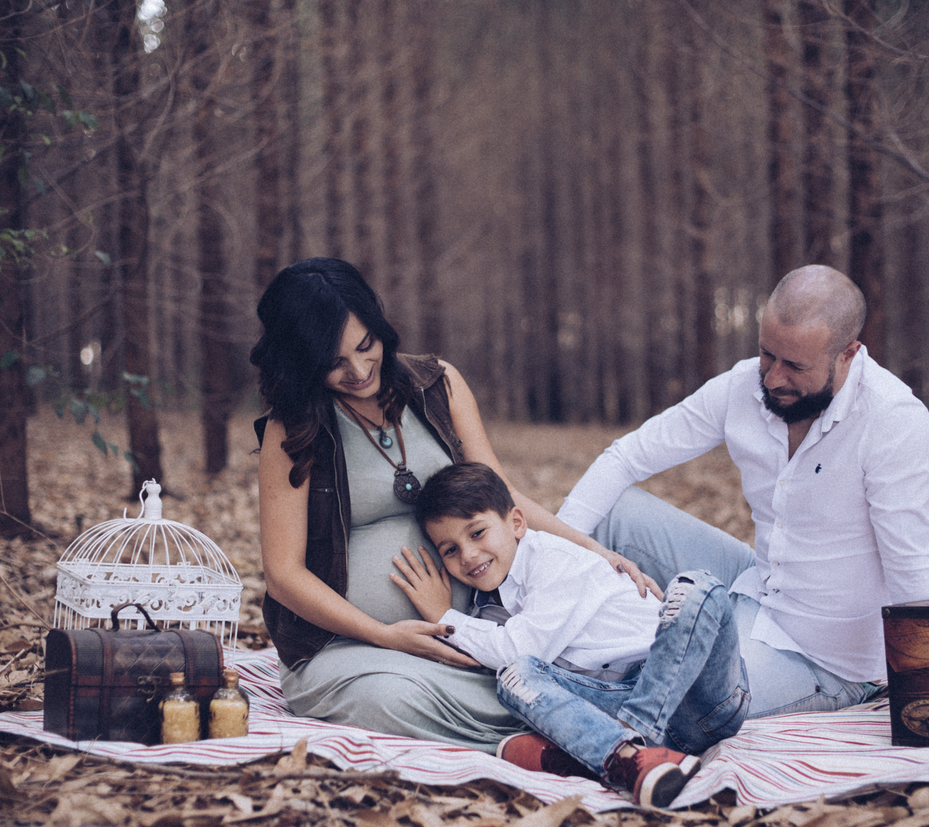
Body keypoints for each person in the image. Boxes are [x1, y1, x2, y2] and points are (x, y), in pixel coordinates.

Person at [250, 257, 656, 752]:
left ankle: (560, 730)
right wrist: (384, 634)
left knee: (534, 667)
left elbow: (500, 494)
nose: (358, 371)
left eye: (365, 346)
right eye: (333, 363)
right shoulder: (293, 428)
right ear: (302, 361)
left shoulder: (436, 384)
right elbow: (284, 575)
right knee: (388, 697)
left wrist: (594, 550)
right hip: (349, 646)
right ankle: (539, 745)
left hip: (479, 631)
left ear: (380, 328)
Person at [556, 265, 929, 717]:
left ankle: (566, 685)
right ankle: (540, 622)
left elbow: (907, 565)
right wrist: (544, 559)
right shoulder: (743, 386)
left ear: (848, 354)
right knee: (610, 512)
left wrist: (927, 684)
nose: (774, 378)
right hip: (752, 586)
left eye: (796, 366)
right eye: (767, 354)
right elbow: (626, 457)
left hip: (826, 657)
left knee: (688, 702)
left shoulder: (894, 421)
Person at [391, 462, 749, 807]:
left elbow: (515, 645)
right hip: (618, 698)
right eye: (450, 550)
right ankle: (633, 758)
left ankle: (631, 742)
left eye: (477, 532)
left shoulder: (553, 560)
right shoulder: (489, 603)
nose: (468, 555)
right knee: (515, 676)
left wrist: (445, 616)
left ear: (516, 522)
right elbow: (513, 658)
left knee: (697, 587)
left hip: (698, 697)